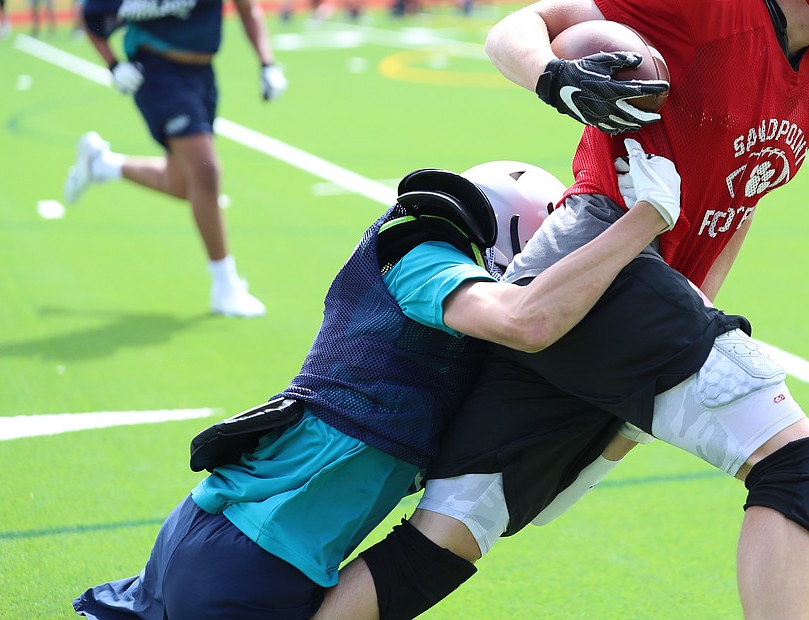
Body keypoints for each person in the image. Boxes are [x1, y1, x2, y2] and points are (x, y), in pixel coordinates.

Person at [316, 0, 809, 620]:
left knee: (442, 545)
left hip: (631, 299)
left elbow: (741, 204)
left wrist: (695, 306)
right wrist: (550, 76)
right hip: (596, 256)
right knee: (798, 463)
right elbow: (518, 26)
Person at [73, 151, 681, 620]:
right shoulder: (420, 253)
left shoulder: (464, 344)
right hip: (249, 553)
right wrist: (644, 219)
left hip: (248, 549)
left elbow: (532, 494)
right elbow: (528, 318)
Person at [63, 0, 287, 318]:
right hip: (157, 70)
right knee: (207, 173)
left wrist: (267, 61)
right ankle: (225, 285)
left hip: (203, 72)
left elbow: (248, 6)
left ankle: (104, 165)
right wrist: (112, 63)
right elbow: (90, 13)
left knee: (187, 183)